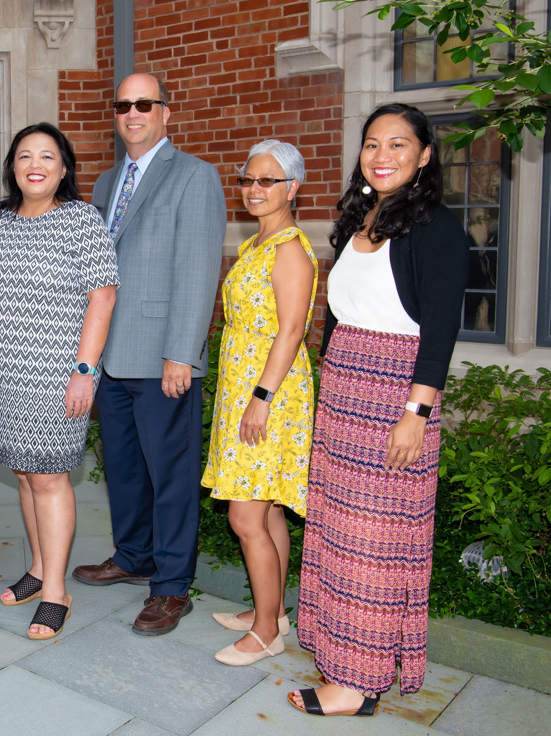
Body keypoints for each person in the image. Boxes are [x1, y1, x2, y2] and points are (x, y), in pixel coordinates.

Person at [288, 103, 469, 717]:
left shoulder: (438, 228)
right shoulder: (356, 220)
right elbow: (339, 318)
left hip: (397, 396)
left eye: (398, 144)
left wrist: (417, 412)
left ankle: (359, 682)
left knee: (376, 544)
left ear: (423, 156)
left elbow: (440, 328)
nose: (382, 154)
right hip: (344, 394)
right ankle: (339, 658)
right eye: (371, 143)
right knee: (337, 535)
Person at [0, 122, 119, 639]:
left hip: (57, 374)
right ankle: (40, 568)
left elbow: (102, 298)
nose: (34, 164)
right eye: (24, 156)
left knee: (49, 478)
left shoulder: (82, 222)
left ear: (63, 168)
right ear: (11, 167)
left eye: (46, 156)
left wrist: (85, 370)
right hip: (2, 373)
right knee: (23, 473)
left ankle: (57, 590)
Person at [73, 72, 226, 636]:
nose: (132, 113)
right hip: (111, 357)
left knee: (172, 475)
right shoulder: (107, 181)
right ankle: (134, 555)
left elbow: (198, 269)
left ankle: (171, 586)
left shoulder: (194, 176)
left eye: (144, 103)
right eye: (123, 105)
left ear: (166, 112)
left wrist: (182, 353)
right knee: (126, 470)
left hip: (165, 358)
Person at [202, 140, 317, 665]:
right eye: (248, 179)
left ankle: (267, 632)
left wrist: (262, 399)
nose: (254, 189)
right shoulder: (258, 245)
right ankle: (270, 612)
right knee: (266, 511)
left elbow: (293, 330)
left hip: (269, 395)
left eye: (267, 180)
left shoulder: (289, 248)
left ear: (292, 187)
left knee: (246, 518)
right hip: (246, 393)